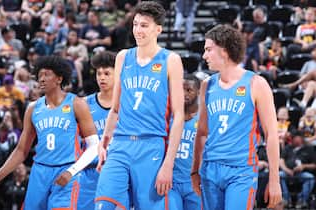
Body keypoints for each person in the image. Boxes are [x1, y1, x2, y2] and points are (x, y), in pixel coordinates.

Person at [95, 1, 184, 209]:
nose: (137, 30)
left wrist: (169, 163)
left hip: (152, 145)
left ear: (158, 29)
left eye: (144, 25)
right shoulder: (123, 57)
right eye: (135, 24)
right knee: (104, 205)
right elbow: (116, 108)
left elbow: (178, 115)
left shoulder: (171, 60)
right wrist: (104, 143)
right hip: (120, 144)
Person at [0, 56, 99, 210]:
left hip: (67, 170)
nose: (41, 79)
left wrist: (72, 171)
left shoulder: (76, 104)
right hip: (39, 172)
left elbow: (94, 145)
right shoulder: (32, 108)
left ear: (59, 78)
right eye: (40, 75)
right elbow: (21, 150)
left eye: (47, 74)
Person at [191, 24, 282, 210]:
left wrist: (274, 180)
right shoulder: (207, 85)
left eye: (208, 50)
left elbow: (272, 135)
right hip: (210, 169)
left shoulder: (256, 83)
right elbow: (201, 133)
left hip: (241, 171)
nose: (204, 56)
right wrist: (194, 171)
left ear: (224, 50)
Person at [78, 51, 116, 210]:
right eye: (99, 73)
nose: (102, 77)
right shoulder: (84, 104)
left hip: (117, 172)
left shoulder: (128, 103)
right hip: (89, 174)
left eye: (107, 73)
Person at [171, 74, 201, 210]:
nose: (183, 94)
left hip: (194, 183)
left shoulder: (205, 119)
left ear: (198, 92)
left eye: (189, 90)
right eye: (181, 89)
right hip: (171, 182)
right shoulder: (169, 117)